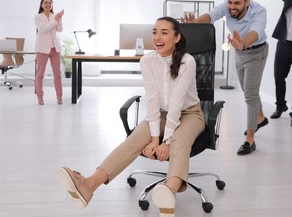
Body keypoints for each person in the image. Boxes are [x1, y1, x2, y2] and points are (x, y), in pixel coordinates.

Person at [58, 17, 205, 217]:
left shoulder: (188, 61)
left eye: (164, 32)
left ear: (177, 37)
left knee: (179, 141)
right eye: (154, 32)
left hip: (189, 113)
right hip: (161, 113)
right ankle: (89, 185)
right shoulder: (147, 60)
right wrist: (154, 139)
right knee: (135, 139)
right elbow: (152, 100)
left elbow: (178, 103)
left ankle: (168, 193)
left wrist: (166, 141)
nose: (157, 37)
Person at [184, 0, 269, 156]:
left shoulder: (259, 11)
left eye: (237, 3)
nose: (232, 6)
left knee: (250, 94)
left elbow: (256, 31)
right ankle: (260, 117)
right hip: (238, 50)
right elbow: (212, 15)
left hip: (255, 51)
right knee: (248, 89)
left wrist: (244, 43)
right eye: (230, 2)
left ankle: (250, 139)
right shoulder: (227, 5)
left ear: (247, 2)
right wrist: (195, 24)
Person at [34, 0, 64, 105]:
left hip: (55, 48)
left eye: (50, 3)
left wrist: (59, 19)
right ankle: (40, 97)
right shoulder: (38, 17)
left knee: (57, 73)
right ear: (41, 5)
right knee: (40, 74)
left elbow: (60, 30)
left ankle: (59, 96)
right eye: (45, 3)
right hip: (42, 49)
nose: (48, 4)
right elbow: (43, 29)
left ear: (52, 5)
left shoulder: (54, 16)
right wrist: (55, 20)